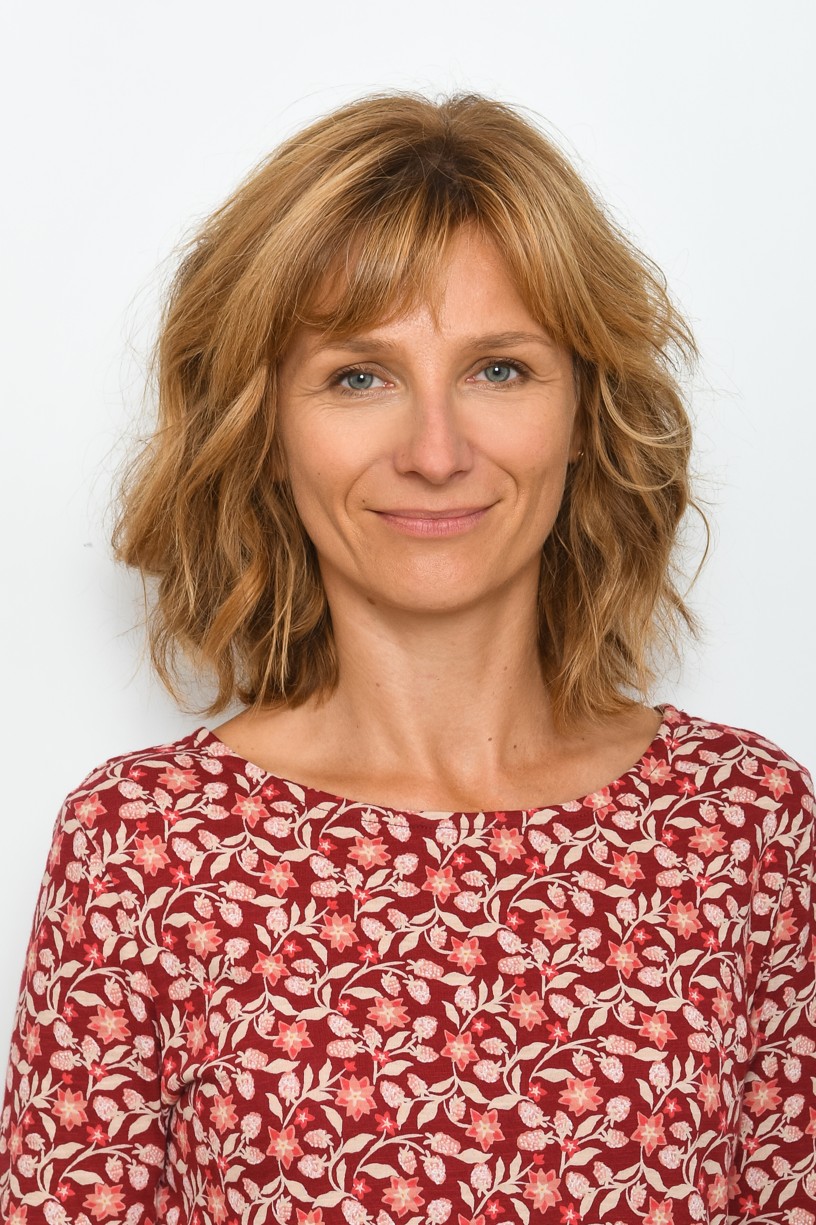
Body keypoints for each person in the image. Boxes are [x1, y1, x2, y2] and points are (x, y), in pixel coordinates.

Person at [0, 90, 813, 1225]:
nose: (436, 451)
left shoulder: (744, 828)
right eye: (359, 376)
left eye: (499, 369)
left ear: (585, 411)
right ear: (264, 426)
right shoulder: (143, 852)